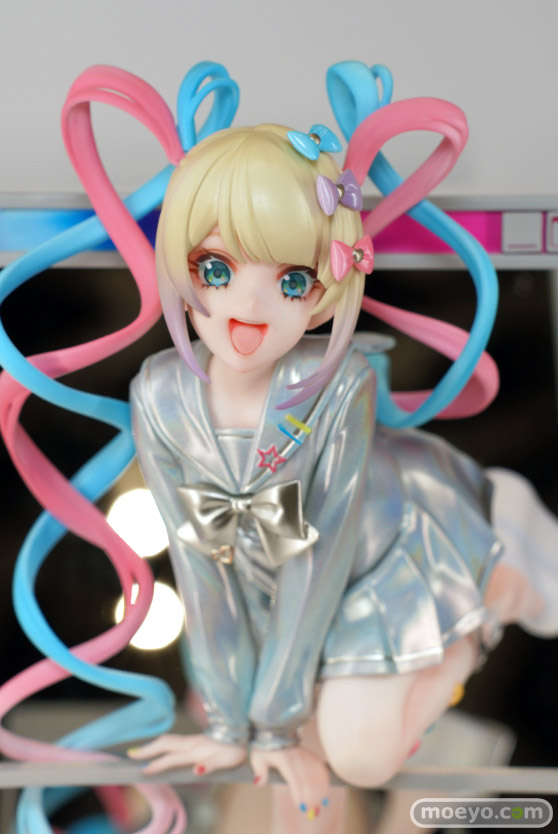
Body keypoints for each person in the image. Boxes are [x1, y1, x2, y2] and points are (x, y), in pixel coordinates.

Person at [1, 63, 555, 834]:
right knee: (289, 772)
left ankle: (489, 590)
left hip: (385, 548)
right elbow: (200, 569)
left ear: (328, 289)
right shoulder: (160, 395)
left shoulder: (338, 384)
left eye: (293, 282)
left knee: (359, 758)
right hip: (275, 593)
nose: (248, 306)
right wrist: (233, 728)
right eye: (216, 270)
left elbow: (316, 560)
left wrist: (276, 726)